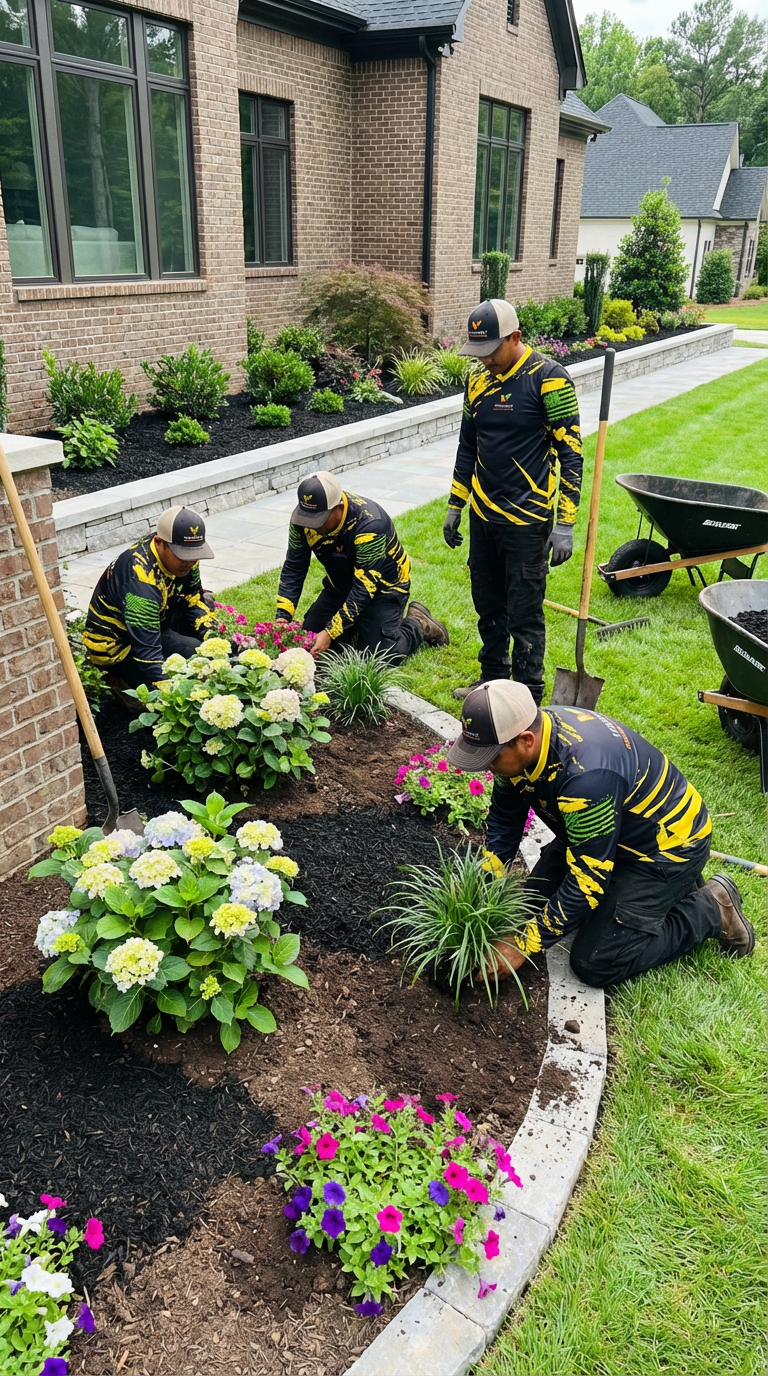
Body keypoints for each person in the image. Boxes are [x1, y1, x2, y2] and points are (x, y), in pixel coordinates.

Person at [445, 679, 754, 988]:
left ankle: (711, 907)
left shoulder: (585, 778)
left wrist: (524, 944)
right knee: (525, 909)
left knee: (595, 961)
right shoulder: (524, 736)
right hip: (607, 832)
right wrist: (483, 880)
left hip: (665, 848)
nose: (486, 766)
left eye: (491, 757)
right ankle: (659, 897)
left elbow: (588, 880)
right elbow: (505, 819)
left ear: (526, 740)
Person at [443, 298, 583, 704]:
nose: (484, 360)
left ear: (515, 337)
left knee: (524, 613)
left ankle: (526, 695)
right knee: (488, 605)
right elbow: (468, 446)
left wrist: (565, 523)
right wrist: (456, 504)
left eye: (490, 351)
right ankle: (491, 680)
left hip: (527, 520)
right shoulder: (476, 381)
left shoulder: (549, 379)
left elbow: (571, 453)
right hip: (483, 515)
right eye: (478, 352)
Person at [275, 470, 449, 662]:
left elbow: (363, 589)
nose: (312, 525)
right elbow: (294, 566)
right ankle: (356, 626)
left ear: (338, 507)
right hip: (340, 585)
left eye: (319, 519)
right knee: (310, 641)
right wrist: (283, 616)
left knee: (379, 657)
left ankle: (418, 623)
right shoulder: (304, 517)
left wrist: (331, 631)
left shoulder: (371, 525)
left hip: (383, 589)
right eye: (308, 518)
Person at [83, 506, 217, 689]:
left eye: (195, 554)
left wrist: (214, 638)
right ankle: (118, 681)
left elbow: (192, 598)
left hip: (155, 622)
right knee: (191, 661)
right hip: (118, 648)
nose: (190, 562)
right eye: (183, 555)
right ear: (159, 542)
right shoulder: (139, 581)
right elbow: (148, 654)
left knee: (204, 648)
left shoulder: (186, 558)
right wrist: (171, 692)